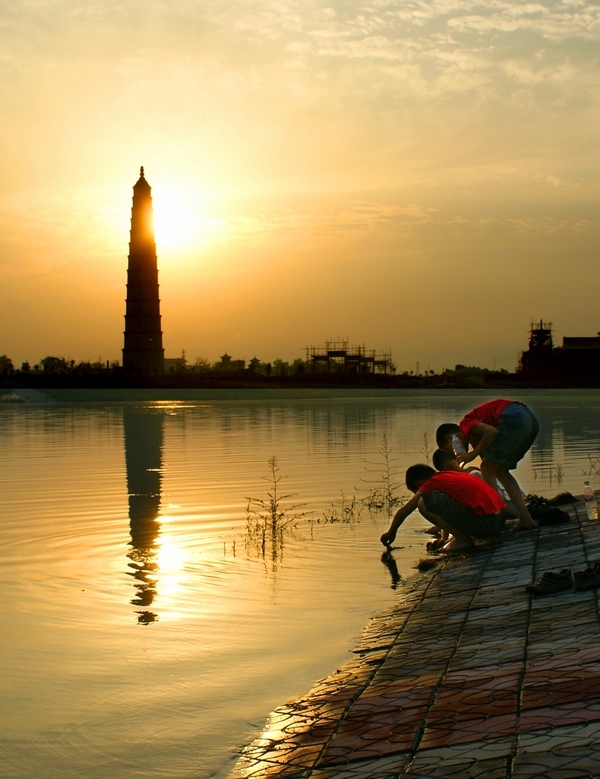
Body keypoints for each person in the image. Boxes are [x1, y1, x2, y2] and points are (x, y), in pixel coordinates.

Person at [435, 399, 539, 530]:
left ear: (450, 438)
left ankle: (496, 514)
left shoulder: (465, 424)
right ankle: (526, 519)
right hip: (530, 420)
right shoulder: (478, 440)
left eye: (451, 450)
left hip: (514, 415)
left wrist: (472, 455)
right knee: (500, 471)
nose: (455, 454)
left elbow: (492, 431)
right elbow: (491, 462)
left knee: (486, 468)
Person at [380, 463, 506, 553]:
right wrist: (444, 538)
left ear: (419, 484)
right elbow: (448, 511)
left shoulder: (432, 483)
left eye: (415, 491)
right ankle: (459, 538)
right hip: (499, 520)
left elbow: (405, 510)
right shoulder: (448, 476)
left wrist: (391, 532)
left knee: (423, 503)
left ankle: (463, 540)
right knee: (435, 501)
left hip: (487, 524)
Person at [432, 448, 519, 519]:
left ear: (457, 460)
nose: (451, 472)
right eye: (446, 472)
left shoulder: (473, 474)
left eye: (451, 467)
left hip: (510, 507)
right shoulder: (457, 483)